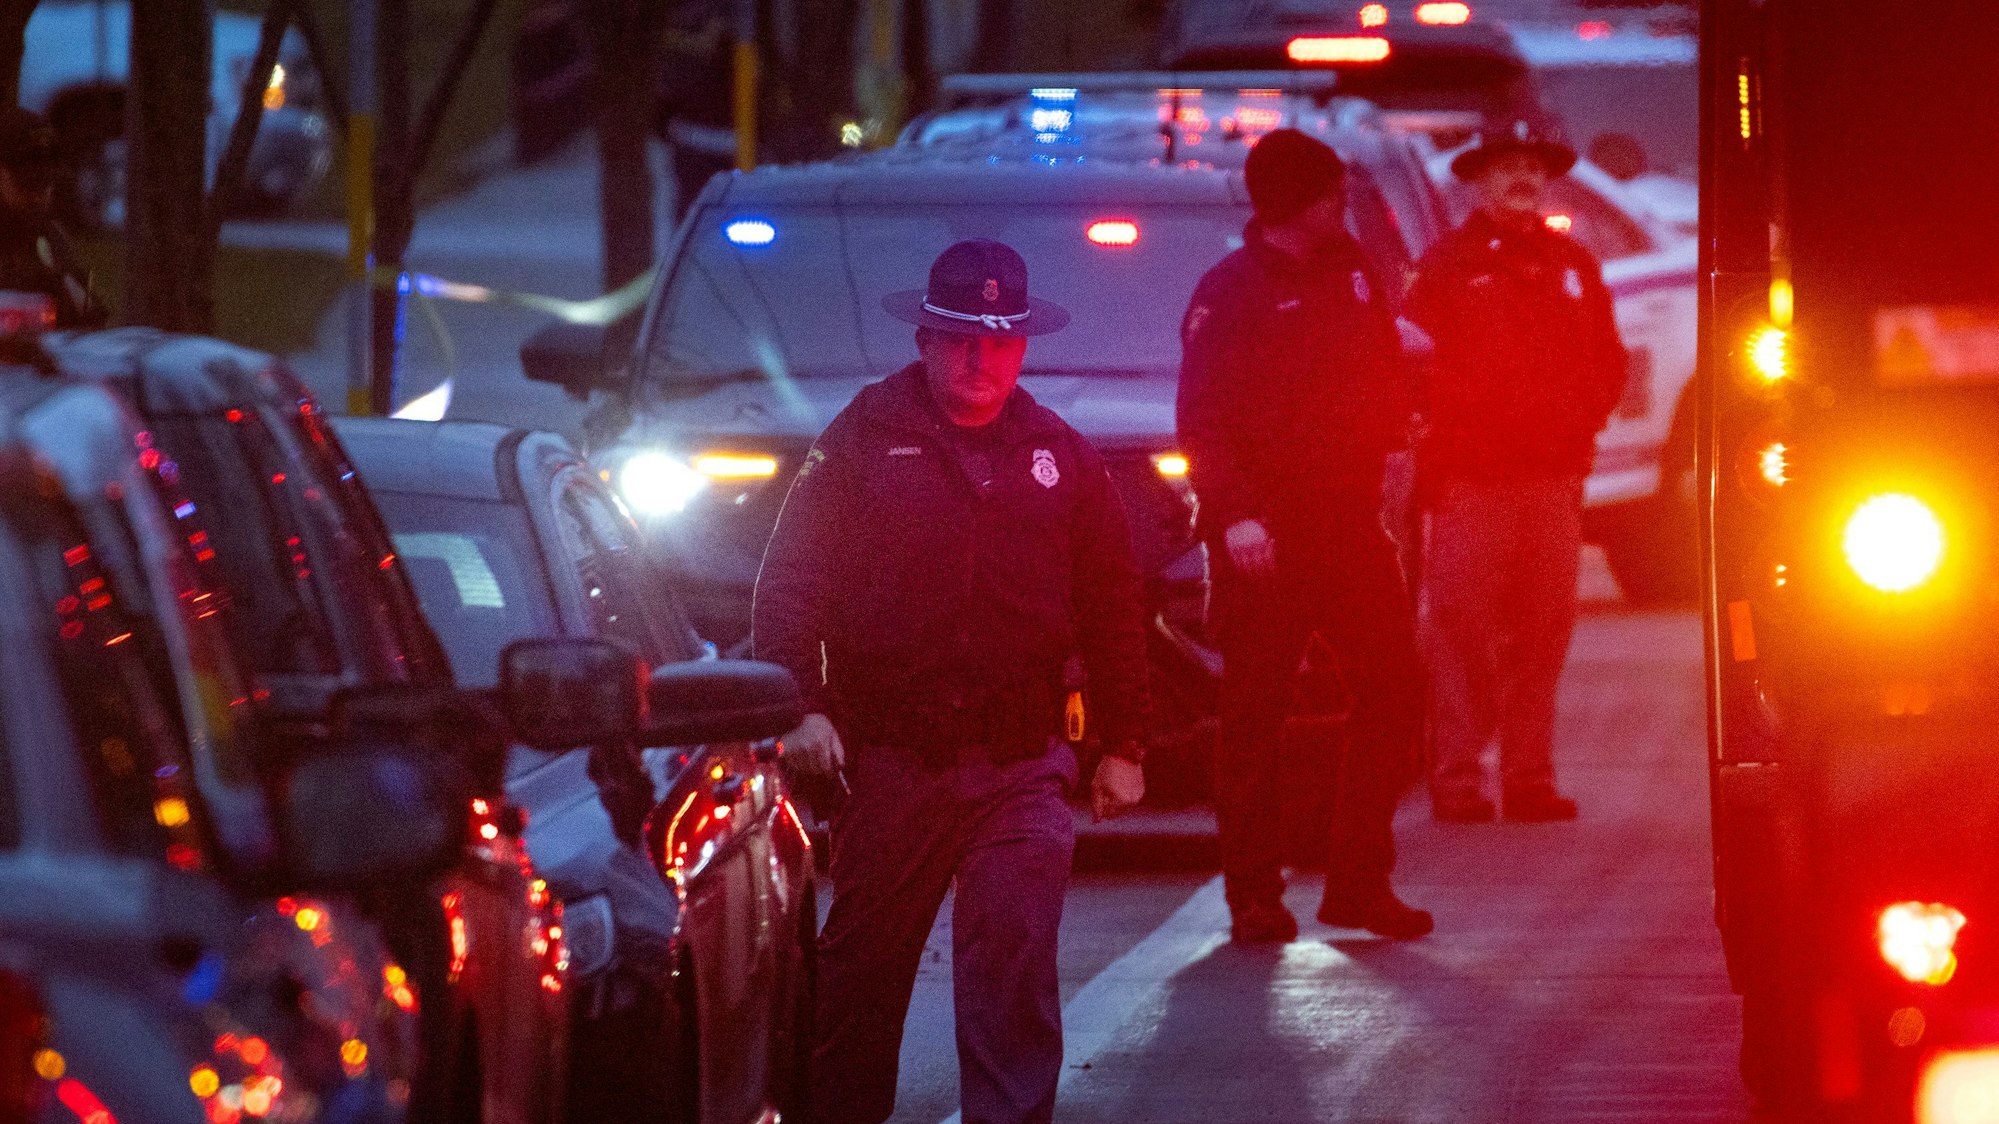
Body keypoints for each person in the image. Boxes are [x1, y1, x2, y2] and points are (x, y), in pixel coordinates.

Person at [752, 239, 1150, 1124]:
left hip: (1021, 762)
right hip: (895, 759)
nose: (981, 360)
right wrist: (800, 706)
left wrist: (1124, 743)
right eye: (962, 340)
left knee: (1012, 967)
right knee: (860, 979)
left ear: (1021, 347)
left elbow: (1113, 603)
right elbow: (790, 582)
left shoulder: (1059, 454)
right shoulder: (861, 438)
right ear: (926, 341)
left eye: (999, 342)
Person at [1176, 128, 1430, 944]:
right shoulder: (1230, 293)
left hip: (1349, 525)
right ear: (1298, 203)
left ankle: (1359, 882)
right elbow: (1202, 420)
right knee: (1254, 716)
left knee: (1394, 692)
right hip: (1267, 536)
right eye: (1331, 195)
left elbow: (1376, 362)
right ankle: (1253, 894)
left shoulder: (1349, 268)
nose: (1343, 205)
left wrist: (1398, 431)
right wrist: (1235, 514)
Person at [1408, 123, 1628, 824]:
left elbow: (1608, 359)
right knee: (1463, 636)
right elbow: (1413, 364)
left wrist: (1581, 423)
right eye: (1506, 166)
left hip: (1552, 485)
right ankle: (1458, 781)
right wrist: (1450, 438)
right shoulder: (1446, 267)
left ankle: (1529, 780)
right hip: (1471, 485)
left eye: (1531, 166)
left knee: (1542, 637)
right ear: (1478, 182)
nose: (1522, 178)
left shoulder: (1572, 265)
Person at [0, 107, 105, 329]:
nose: (37, 196)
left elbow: (88, 313)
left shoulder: (48, 236)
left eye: (44, 184)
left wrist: (62, 278)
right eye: (26, 185)